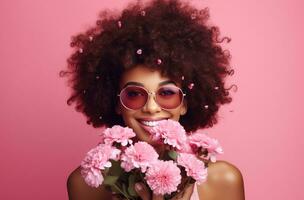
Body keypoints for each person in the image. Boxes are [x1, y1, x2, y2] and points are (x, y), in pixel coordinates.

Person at [61, 0, 245, 199]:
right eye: (134, 94)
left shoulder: (223, 180)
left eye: (166, 93)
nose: (150, 107)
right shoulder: (85, 186)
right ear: (116, 104)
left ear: (184, 104)